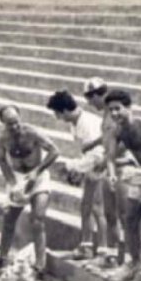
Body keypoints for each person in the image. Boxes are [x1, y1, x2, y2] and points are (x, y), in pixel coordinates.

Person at [0, 105, 60, 278]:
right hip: (18, 177)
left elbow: (54, 150)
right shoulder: (1, 138)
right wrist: (12, 183)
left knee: (38, 219)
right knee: (9, 219)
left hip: (38, 175)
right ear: (3, 123)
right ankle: (2, 257)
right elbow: (2, 161)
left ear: (20, 118)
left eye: (16, 122)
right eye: (9, 124)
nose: (14, 127)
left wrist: (37, 171)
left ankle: (40, 265)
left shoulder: (32, 132)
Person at [103, 90, 141, 281]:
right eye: (111, 110)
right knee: (129, 219)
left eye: (117, 109)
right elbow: (110, 157)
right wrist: (111, 174)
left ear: (128, 107)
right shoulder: (116, 131)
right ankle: (134, 263)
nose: (114, 113)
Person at [46, 90, 108, 259]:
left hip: (100, 165)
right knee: (86, 207)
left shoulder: (87, 123)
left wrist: (72, 166)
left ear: (65, 110)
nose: (57, 118)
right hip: (91, 165)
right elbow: (86, 151)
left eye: (57, 113)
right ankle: (86, 246)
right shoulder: (76, 123)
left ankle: (102, 250)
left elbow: (97, 155)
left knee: (96, 208)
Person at [82, 77, 125, 264]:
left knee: (118, 214)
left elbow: (121, 141)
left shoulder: (114, 114)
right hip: (111, 165)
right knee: (109, 213)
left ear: (98, 96)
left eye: (91, 100)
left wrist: (106, 160)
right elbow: (107, 136)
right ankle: (111, 254)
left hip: (119, 167)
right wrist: (93, 143)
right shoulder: (106, 115)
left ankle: (121, 256)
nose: (91, 104)